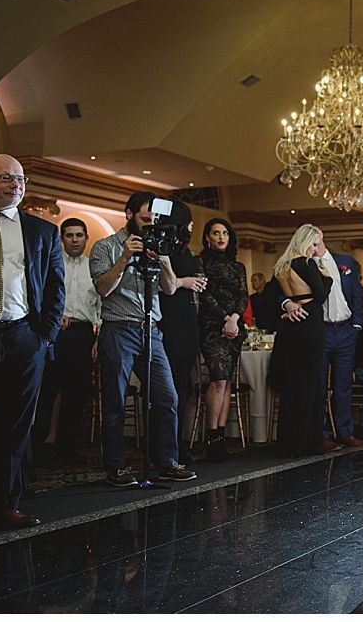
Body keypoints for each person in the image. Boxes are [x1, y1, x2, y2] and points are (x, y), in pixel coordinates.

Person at [0, 155, 65, 529]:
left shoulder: (42, 231)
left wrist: (43, 337)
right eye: (6, 177)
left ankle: (3, 505)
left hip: (21, 337)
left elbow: (54, 289)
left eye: (21, 179)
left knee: (13, 427)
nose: (16, 184)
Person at [90, 191, 196, 486]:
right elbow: (103, 289)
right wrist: (125, 256)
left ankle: (167, 461)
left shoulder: (156, 245)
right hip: (118, 329)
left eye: (154, 220)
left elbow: (171, 288)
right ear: (129, 214)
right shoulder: (105, 247)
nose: (150, 225)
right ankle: (116, 467)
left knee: (167, 397)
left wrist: (162, 259)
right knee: (115, 401)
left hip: (151, 329)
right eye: (145, 219)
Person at [34, 218, 99, 465]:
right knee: (45, 391)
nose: (74, 240)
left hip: (82, 335)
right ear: (62, 238)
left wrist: (97, 339)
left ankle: (67, 449)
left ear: (86, 237)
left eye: (79, 235)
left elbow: (101, 305)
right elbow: (40, 294)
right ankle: (36, 448)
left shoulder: (94, 267)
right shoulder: (52, 262)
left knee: (76, 395)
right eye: (69, 235)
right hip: (53, 333)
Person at [268, 224, 333, 457]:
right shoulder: (306, 263)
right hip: (310, 325)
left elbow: (269, 298)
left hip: (290, 328)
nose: (316, 250)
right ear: (304, 241)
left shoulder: (281, 266)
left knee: (291, 386)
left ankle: (287, 443)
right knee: (310, 386)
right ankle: (306, 444)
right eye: (314, 244)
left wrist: (286, 305)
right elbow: (321, 295)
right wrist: (327, 279)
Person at [156, 200, 206, 465]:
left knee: (184, 386)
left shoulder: (183, 249)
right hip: (173, 320)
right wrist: (187, 281)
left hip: (187, 321)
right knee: (172, 386)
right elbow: (168, 285)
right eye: (188, 221)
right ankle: (169, 447)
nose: (192, 226)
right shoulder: (165, 249)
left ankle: (178, 444)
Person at [197, 218, 248, 462]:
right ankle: (211, 439)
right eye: (215, 233)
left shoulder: (238, 267)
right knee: (217, 381)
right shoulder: (201, 262)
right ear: (207, 237)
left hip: (235, 328)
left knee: (226, 382)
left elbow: (243, 295)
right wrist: (225, 318)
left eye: (225, 233)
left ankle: (221, 438)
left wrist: (235, 318)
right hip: (211, 326)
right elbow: (205, 295)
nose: (220, 237)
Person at [314, 230, 363, 448]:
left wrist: (356, 325)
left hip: (345, 330)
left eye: (315, 241)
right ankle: (323, 434)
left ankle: (345, 432)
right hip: (322, 330)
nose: (313, 246)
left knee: (344, 384)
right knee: (319, 384)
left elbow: (356, 294)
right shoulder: (305, 265)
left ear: (321, 237)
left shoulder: (344, 262)